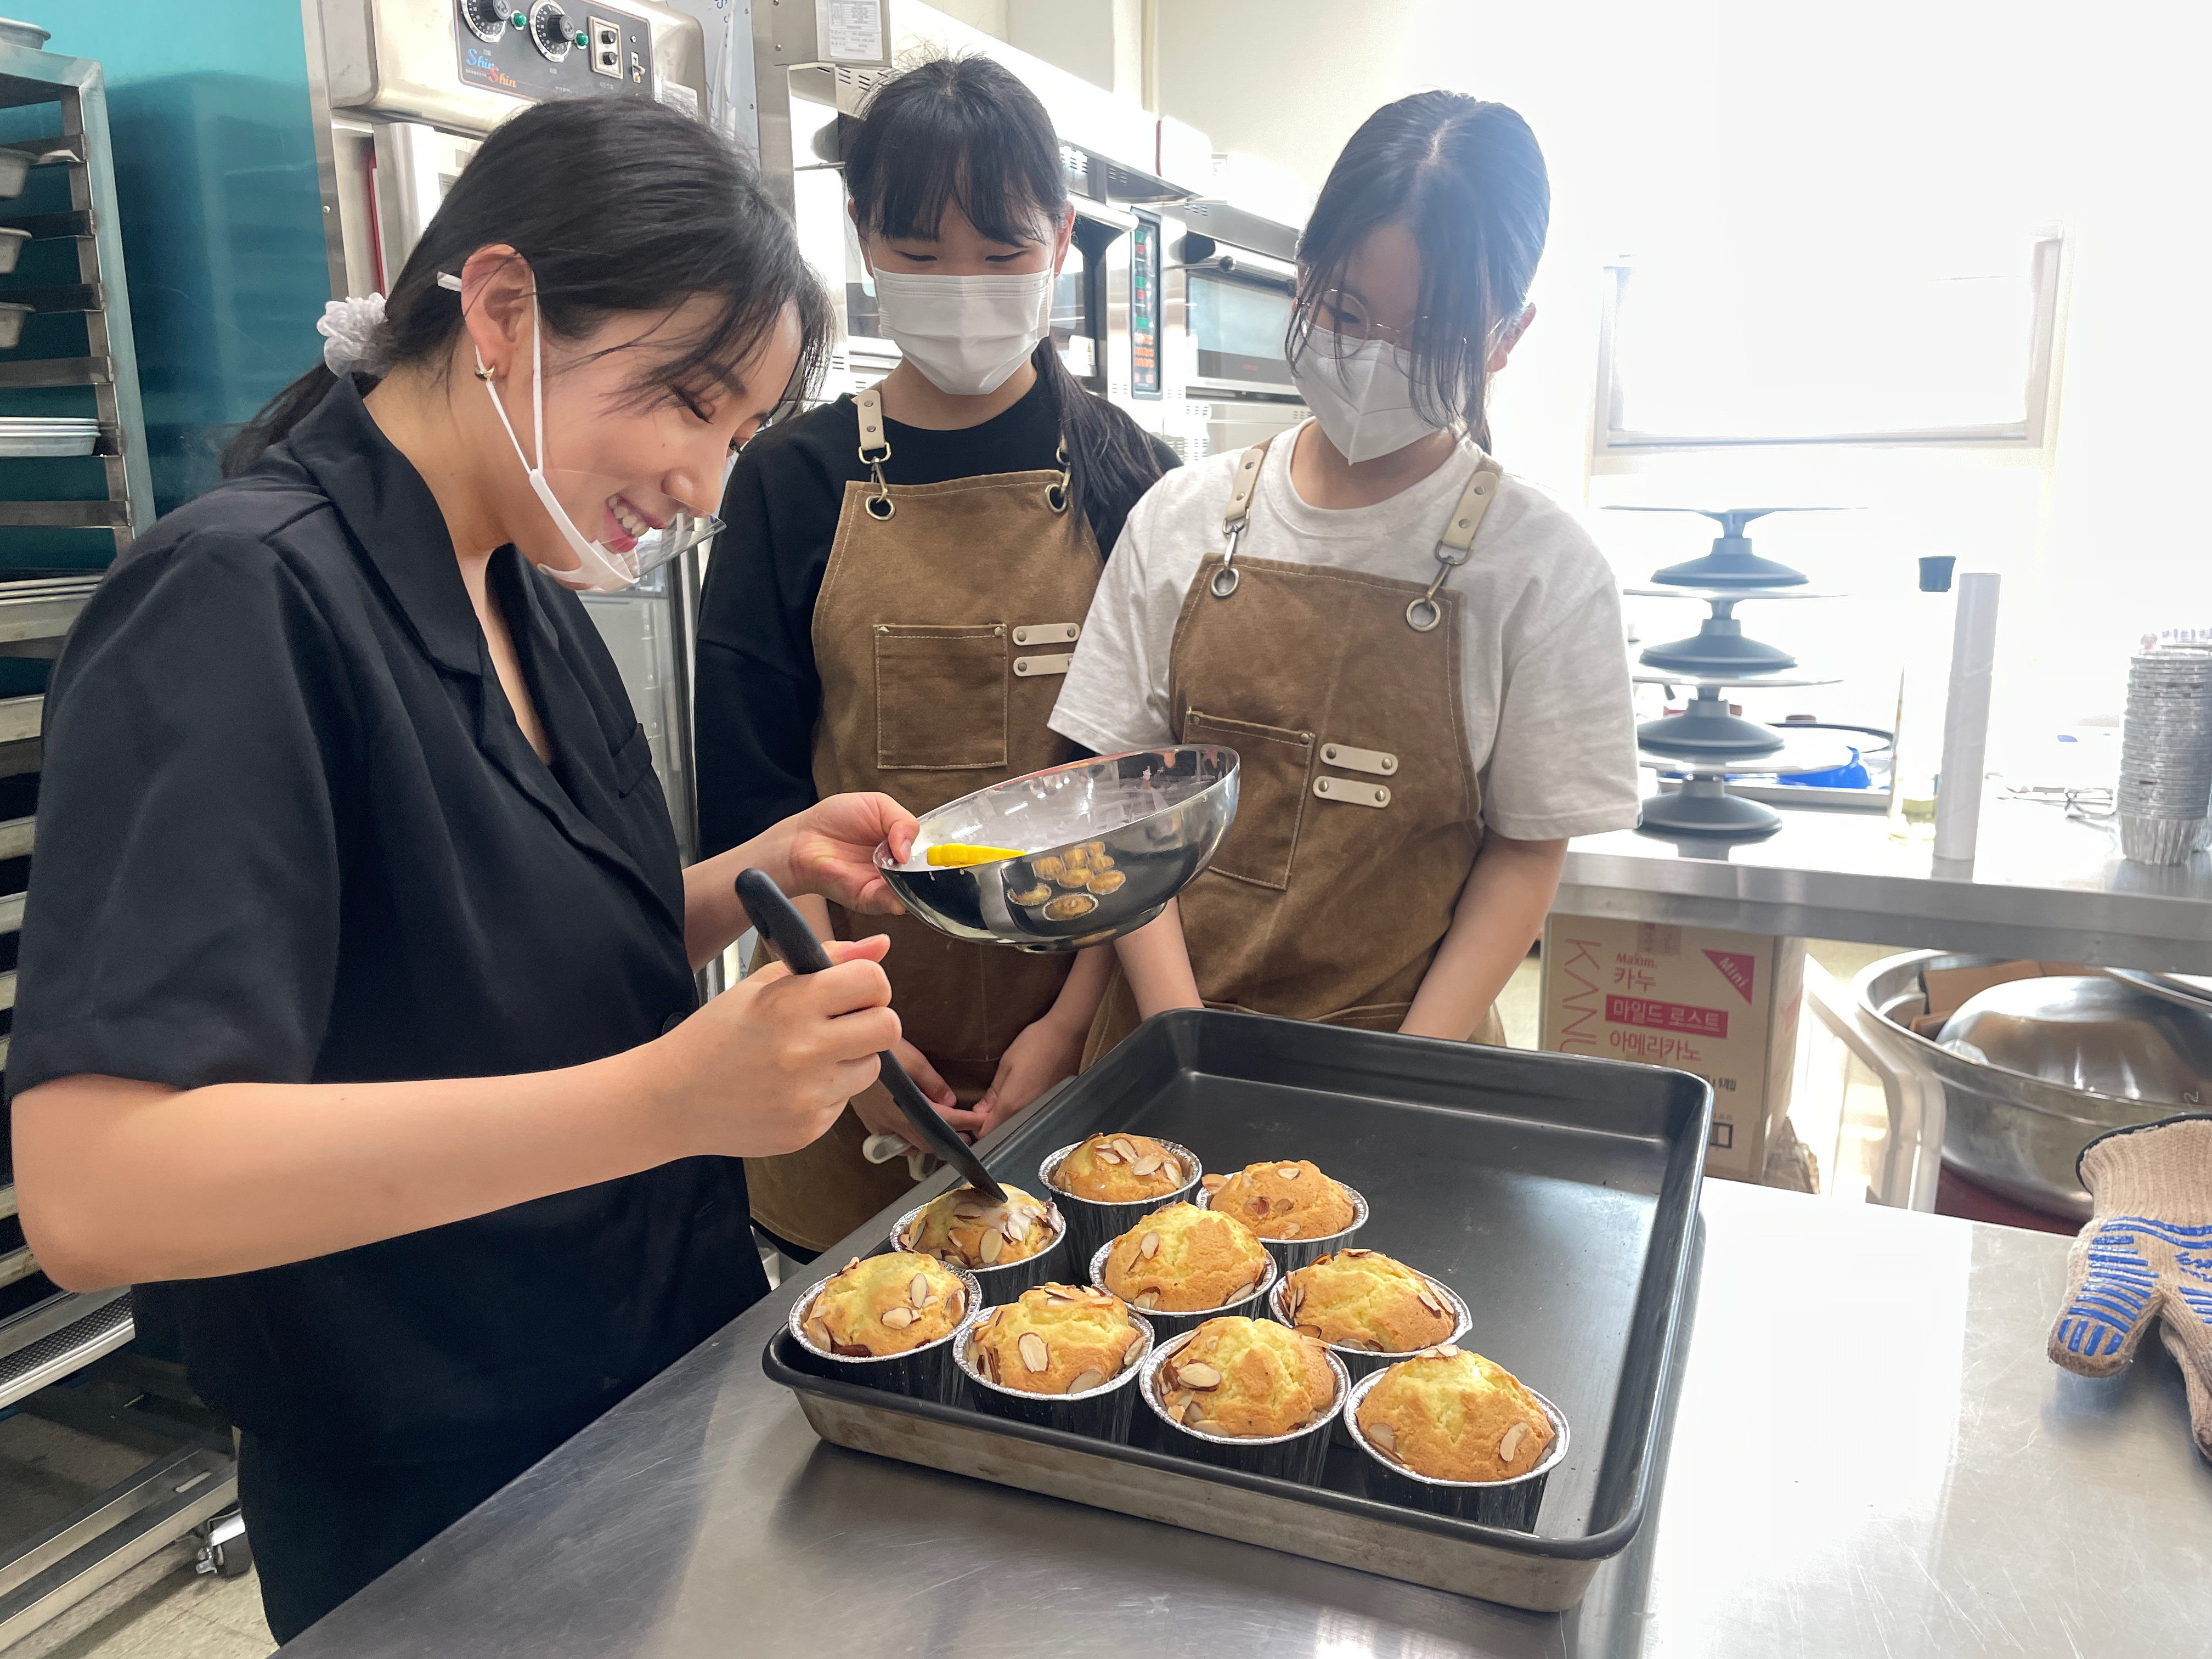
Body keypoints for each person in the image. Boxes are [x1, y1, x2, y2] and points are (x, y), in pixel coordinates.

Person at [7, 99, 919, 1644]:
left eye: (740, 432)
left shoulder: (525, 588)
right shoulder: (237, 604)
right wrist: (666, 1101)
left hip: (632, 1387)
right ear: (499, 310)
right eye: (689, 404)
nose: (705, 484)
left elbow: (487, 942)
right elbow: (98, 1186)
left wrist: (743, 873)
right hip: (422, 1472)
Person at [693, 54, 1177, 1260]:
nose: (962, 285)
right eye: (918, 253)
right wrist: (851, 1041)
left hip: (1076, 1054)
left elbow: (1148, 801)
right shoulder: (789, 484)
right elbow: (752, 797)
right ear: (860, 239)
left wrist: (1067, 1030)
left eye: (1003, 251)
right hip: (838, 1028)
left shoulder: (1137, 481)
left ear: (1063, 238)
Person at [1052, 92, 1639, 1052]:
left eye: (1432, 332)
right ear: (1304, 276)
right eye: (1347, 310)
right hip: (1162, 1050)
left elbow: (1526, 853)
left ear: (1508, 337)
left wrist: (1406, 1069)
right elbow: (1126, 800)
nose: (1375, 357)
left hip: (1403, 1062)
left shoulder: (1543, 571)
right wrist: (1184, 1039)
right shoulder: (1182, 517)